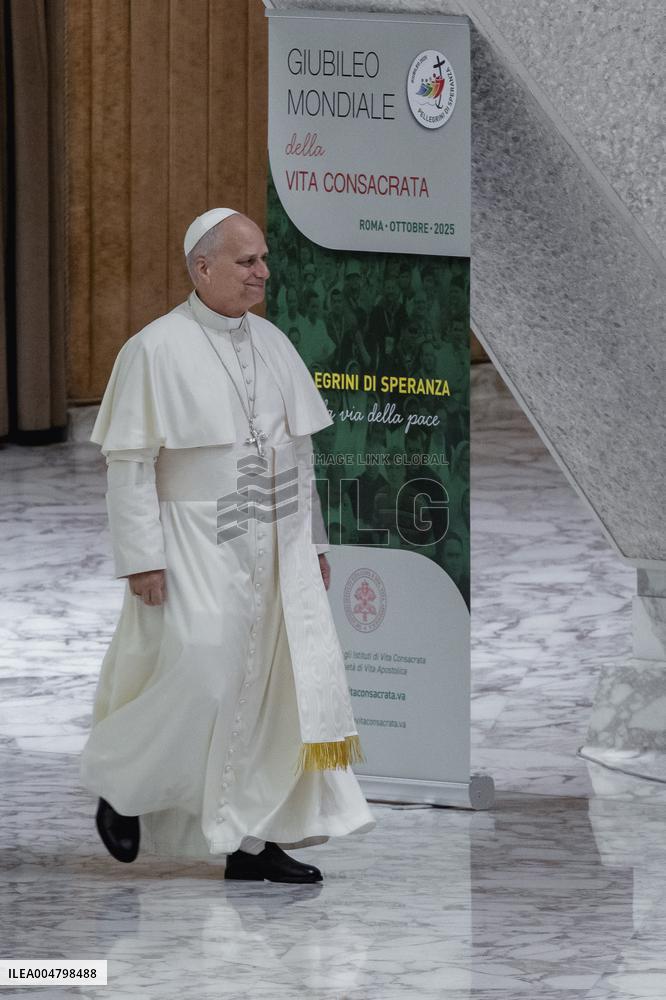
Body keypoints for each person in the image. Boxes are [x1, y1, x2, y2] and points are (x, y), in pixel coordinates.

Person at [80, 207, 376, 884]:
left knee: (273, 694)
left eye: (263, 260)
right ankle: (123, 785)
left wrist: (315, 542)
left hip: (276, 542)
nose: (262, 274)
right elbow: (128, 463)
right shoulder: (154, 349)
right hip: (193, 538)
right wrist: (142, 557)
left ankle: (253, 844)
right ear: (202, 267)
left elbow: (297, 455)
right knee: (203, 676)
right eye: (246, 262)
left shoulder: (272, 343)